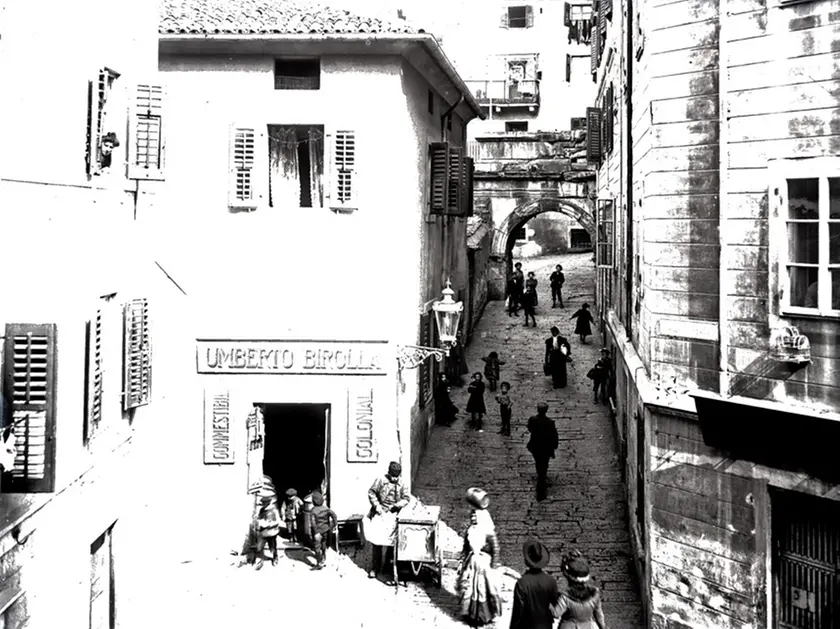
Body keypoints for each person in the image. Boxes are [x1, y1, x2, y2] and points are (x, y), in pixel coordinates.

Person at [457, 488, 503, 626]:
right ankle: (472, 614)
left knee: (485, 589)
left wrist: (494, 565)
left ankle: (486, 615)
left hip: (484, 564)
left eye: (475, 516)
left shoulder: (488, 531)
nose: (472, 518)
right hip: (472, 563)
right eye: (472, 516)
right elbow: (466, 546)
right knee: (470, 589)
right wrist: (463, 560)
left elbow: (495, 548)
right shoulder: (471, 530)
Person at [364, 462, 411, 583]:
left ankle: (388, 566)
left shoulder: (403, 483)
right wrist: (377, 506)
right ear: (389, 473)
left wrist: (397, 505)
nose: (395, 479)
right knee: (377, 541)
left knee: (392, 542)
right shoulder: (380, 480)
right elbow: (371, 493)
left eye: (397, 477)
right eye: (393, 476)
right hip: (380, 513)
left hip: (394, 514)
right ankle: (375, 567)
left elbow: (406, 498)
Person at [510, 539, 559, 629]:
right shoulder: (551, 581)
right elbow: (555, 603)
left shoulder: (522, 583)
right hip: (546, 625)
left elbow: (518, 611)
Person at [554, 550, 609, 629]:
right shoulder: (594, 594)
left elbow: (556, 614)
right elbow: (599, 615)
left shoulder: (565, 597)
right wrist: (603, 627)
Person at [527, 403, 559, 501]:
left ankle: (540, 476)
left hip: (535, 445)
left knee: (538, 461)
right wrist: (554, 446)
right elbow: (554, 435)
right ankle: (542, 477)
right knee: (544, 463)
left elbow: (529, 428)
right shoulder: (550, 422)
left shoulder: (532, 420)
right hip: (546, 447)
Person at [308, 491, 338, 570]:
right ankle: (324, 557)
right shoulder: (326, 508)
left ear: (313, 502)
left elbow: (313, 523)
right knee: (324, 543)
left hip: (317, 532)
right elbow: (334, 515)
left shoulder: (313, 511)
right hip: (326, 530)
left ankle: (319, 563)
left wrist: (316, 533)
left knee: (317, 547)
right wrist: (335, 525)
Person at [255, 495, 282, 569]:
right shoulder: (262, 510)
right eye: (263, 503)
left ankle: (275, 558)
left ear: (268, 503)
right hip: (263, 532)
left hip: (272, 532)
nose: (263, 504)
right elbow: (259, 518)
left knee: (272, 547)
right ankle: (260, 560)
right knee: (259, 546)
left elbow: (278, 521)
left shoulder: (274, 510)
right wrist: (259, 522)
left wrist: (269, 524)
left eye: (264, 503)